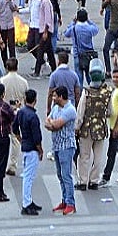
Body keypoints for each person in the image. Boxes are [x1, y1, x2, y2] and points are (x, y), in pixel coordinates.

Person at [75, 59, 111, 190]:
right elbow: (110, 112)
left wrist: (76, 128)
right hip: (100, 127)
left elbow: (80, 113)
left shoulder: (86, 92)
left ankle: (83, 181)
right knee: (98, 156)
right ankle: (94, 180)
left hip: (87, 128)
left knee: (84, 156)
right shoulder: (107, 93)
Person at [46, 85, 78, 215]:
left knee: (66, 176)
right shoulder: (56, 108)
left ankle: (70, 203)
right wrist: (53, 124)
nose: (53, 98)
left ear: (61, 97)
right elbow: (47, 122)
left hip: (66, 146)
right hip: (57, 146)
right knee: (60, 175)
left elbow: (56, 124)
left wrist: (53, 124)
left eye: (55, 96)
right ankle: (64, 200)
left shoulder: (70, 110)